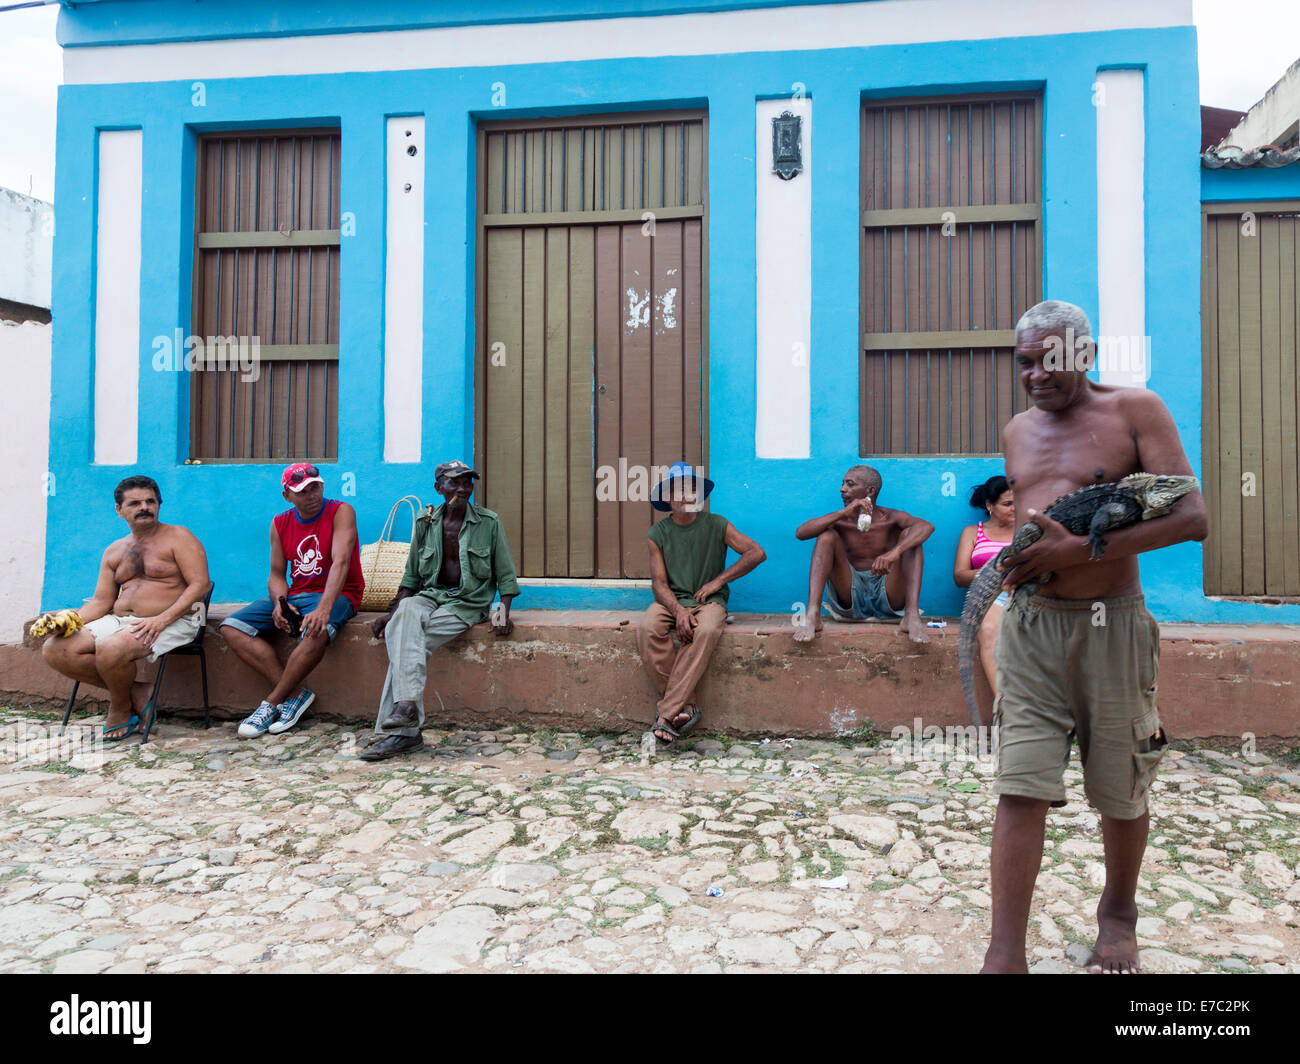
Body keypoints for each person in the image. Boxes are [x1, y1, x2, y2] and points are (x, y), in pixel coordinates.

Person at [981, 300, 1207, 975]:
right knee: (1020, 786)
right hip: (1031, 630)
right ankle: (1004, 953)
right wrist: (1019, 565)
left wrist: (1076, 554)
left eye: (1048, 360)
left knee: (1119, 785)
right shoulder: (1017, 431)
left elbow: (1192, 516)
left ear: (1084, 354)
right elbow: (1032, 525)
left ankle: (1118, 913)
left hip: (1112, 626)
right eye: (1023, 362)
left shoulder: (1136, 410)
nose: (1034, 375)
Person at [359, 460, 519, 761]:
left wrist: (502, 611)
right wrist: (391, 614)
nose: (462, 488)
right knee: (403, 617)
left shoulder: (488, 521)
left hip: (467, 603)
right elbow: (410, 577)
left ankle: (403, 731)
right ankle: (405, 714)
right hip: (431, 596)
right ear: (438, 488)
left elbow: (505, 575)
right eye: (454, 483)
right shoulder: (425, 521)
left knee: (402, 639)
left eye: (467, 483)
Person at [38, 476, 210, 741]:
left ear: (159, 505)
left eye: (150, 501)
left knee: (111, 648)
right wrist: (68, 619)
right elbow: (101, 602)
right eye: (135, 503)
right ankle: (137, 692)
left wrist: (162, 620)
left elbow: (200, 585)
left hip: (174, 619)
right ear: (119, 510)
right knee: (55, 648)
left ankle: (119, 707)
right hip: (120, 621)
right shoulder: (115, 550)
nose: (144, 507)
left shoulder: (179, 537)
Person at [218, 463, 363, 738]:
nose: (312, 495)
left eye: (315, 487)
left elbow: (341, 562)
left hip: (340, 593)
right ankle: (295, 695)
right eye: (302, 491)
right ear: (288, 496)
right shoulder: (280, 523)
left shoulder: (340, 512)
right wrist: (280, 603)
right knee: (231, 626)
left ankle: (271, 702)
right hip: (297, 595)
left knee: (316, 629)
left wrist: (324, 609)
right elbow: (275, 574)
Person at [638, 462, 766, 744]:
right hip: (673, 600)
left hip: (709, 601)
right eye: (680, 490)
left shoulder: (717, 524)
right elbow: (659, 584)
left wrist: (718, 581)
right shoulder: (657, 534)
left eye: (692, 489)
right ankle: (685, 707)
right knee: (648, 628)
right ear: (669, 498)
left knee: (705, 631)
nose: (687, 495)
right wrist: (678, 610)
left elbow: (756, 553)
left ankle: (666, 714)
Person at [793, 465, 935, 644]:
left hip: (888, 590)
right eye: (843, 484)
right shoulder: (840, 519)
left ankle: (911, 616)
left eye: (850, 484)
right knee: (826, 536)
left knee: (911, 537)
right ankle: (812, 614)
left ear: (870, 490)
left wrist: (894, 553)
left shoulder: (890, 517)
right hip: (850, 592)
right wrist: (842, 513)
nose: (842, 489)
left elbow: (926, 527)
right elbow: (801, 533)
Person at [953, 475, 1016, 696]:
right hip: (990, 597)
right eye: (1007, 504)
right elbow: (960, 576)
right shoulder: (973, 533)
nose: (1014, 508)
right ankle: (1004, 709)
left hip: (1025, 594)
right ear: (990, 505)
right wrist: (993, 573)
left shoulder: (1027, 531)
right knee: (988, 631)